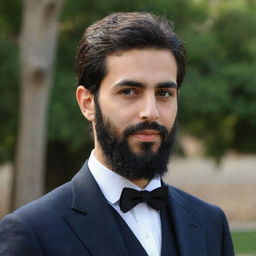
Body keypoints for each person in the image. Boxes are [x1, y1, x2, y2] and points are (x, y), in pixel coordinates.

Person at [0, 12, 234, 256]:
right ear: (88, 103)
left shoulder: (210, 224)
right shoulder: (32, 233)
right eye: (129, 91)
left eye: (164, 93)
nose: (150, 112)